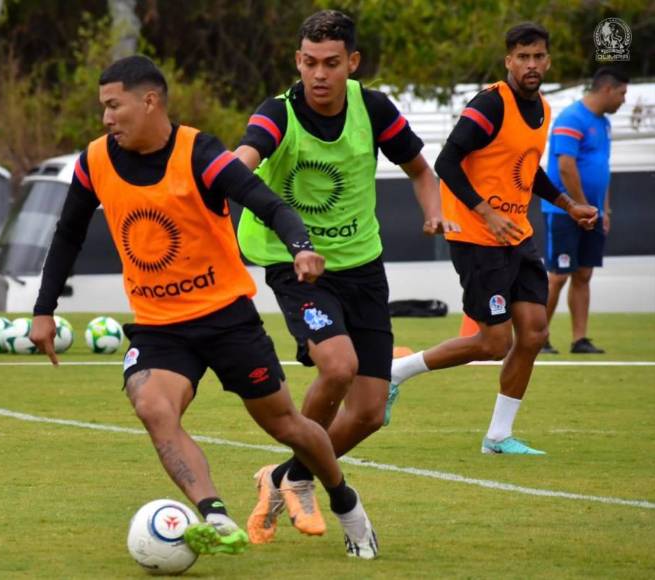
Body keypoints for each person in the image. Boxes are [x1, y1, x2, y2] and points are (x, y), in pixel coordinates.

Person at [29, 55, 378, 560]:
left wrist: (300, 245)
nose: (105, 118)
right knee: (153, 406)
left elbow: (269, 204)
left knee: (287, 426)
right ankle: (213, 513)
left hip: (226, 317)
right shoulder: (94, 162)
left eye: (113, 105)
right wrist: (44, 310)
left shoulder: (200, 153)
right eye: (102, 107)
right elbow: (67, 235)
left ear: (149, 101)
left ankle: (346, 502)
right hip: (158, 327)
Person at [234, 9, 455, 544]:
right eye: (309, 62)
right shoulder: (277, 113)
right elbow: (243, 159)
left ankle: (284, 474)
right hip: (295, 263)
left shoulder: (374, 108)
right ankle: (303, 483)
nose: (319, 74)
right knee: (337, 366)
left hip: (362, 265)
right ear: (297, 61)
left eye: (332, 63)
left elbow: (422, 171)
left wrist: (434, 211)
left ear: (352, 63)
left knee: (369, 414)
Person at [390, 23, 598, 455]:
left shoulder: (541, 109)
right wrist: (486, 212)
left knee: (535, 333)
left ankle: (498, 436)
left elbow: (526, 168)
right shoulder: (489, 104)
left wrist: (567, 203)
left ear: (548, 60)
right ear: (508, 61)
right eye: (523, 57)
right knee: (493, 341)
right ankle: (397, 373)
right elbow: (446, 162)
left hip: (515, 235)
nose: (531, 65)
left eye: (538, 56)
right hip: (476, 236)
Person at [540, 67, 628, 355]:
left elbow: (603, 169)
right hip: (565, 212)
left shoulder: (603, 124)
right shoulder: (571, 118)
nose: (623, 100)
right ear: (606, 89)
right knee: (558, 275)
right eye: (622, 93)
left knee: (584, 274)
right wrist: (579, 207)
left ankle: (580, 339)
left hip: (591, 213)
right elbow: (565, 166)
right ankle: (538, 337)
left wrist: (604, 210)